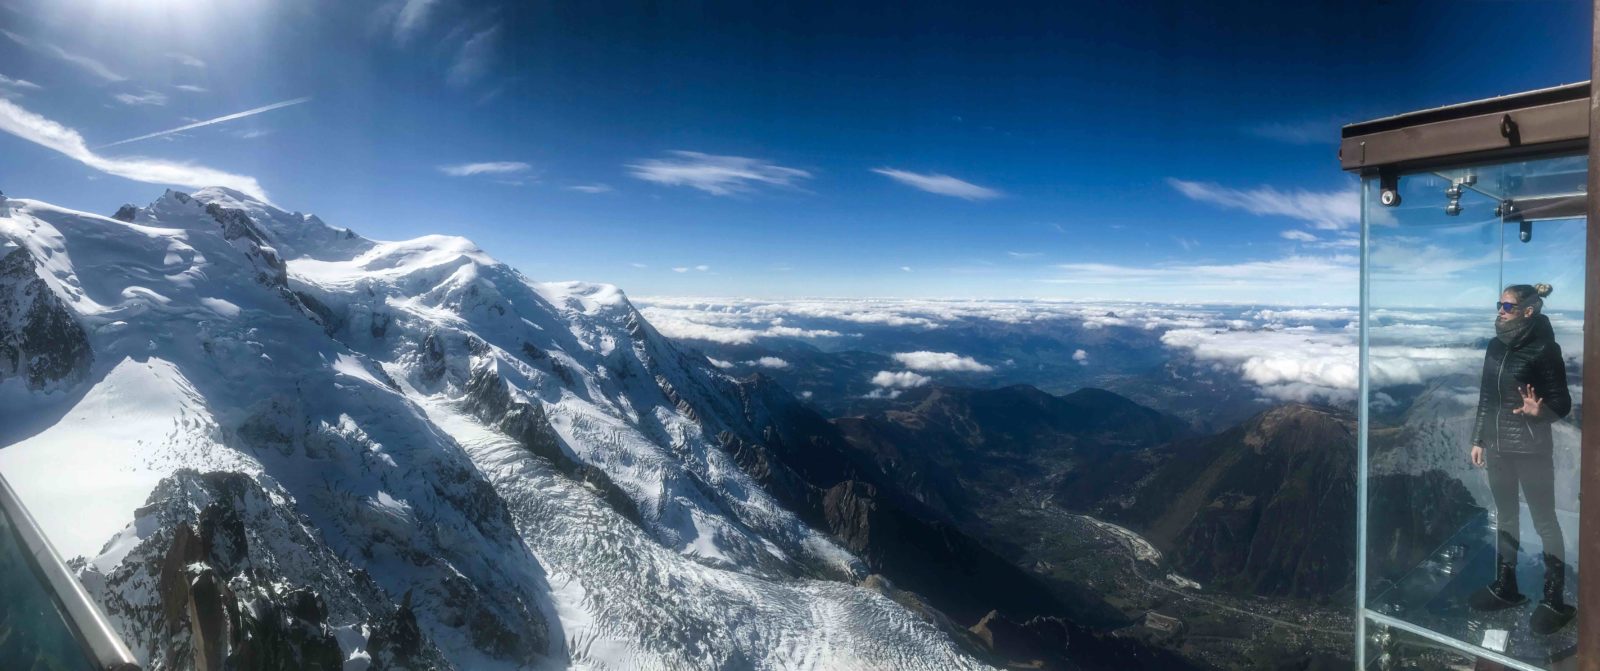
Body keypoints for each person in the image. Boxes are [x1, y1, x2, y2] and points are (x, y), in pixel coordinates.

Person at [1466, 283, 1576, 635]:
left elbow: (1563, 404)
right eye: (1499, 304)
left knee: (1545, 522)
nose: (1500, 311)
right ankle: (1506, 587)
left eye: (1508, 306)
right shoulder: (1496, 346)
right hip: (1498, 448)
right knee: (1506, 517)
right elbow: (1487, 397)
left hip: (1531, 450)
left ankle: (1553, 599)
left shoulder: (1545, 349)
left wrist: (1538, 411)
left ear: (1529, 310)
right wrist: (1479, 439)